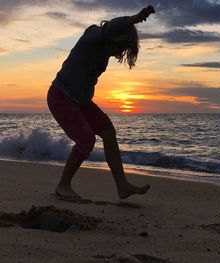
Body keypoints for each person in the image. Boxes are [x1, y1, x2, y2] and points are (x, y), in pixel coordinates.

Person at [47, 5, 155, 200]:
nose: (120, 52)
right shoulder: (93, 36)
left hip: (80, 101)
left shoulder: (104, 52)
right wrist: (134, 19)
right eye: (121, 47)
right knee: (86, 140)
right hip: (61, 96)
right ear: (116, 37)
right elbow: (109, 28)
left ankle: (122, 186)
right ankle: (63, 185)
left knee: (108, 131)